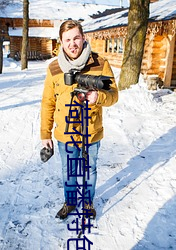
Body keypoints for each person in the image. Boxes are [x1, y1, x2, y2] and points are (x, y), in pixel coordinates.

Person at [40, 20, 118, 220]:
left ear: (83, 38)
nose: (72, 43)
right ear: (61, 42)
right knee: (68, 170)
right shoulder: (54, 68)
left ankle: (89, 202)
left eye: (76, 38)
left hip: (91, 131)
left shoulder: (100, 64)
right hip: (65, 133)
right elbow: (48, 102)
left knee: (90, 169)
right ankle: (70, 202)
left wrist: (98, 97)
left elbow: (114, 95)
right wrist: (45, 134)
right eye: (67, 40)